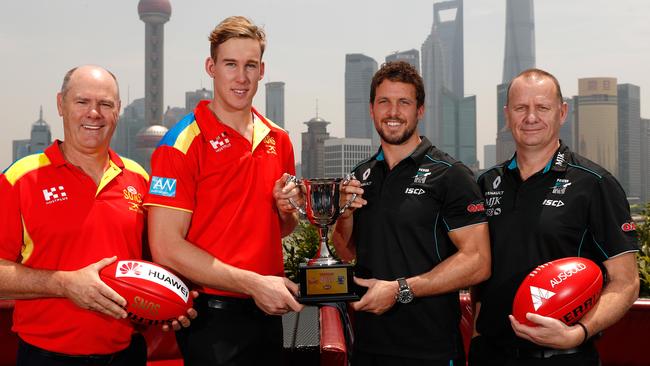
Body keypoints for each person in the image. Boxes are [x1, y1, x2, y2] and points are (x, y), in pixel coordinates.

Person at [0, 65, 193, 365]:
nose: (94, 113)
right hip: (47, 356)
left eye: (105, 104)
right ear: (60, 104)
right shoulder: (20, 179)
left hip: (127, 354)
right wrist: (63, 284)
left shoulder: (139, 179)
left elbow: (153, 264)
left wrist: (169, 304)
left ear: (117, 110)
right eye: (82, 102)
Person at [143, 16, 303, 365]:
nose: (241, 77)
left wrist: (285, 211)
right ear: (211, 67)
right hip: (211, 317)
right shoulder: (181, 144)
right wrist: (254, 284)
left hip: (268, 308)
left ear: (262, 71)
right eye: (230, 64)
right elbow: (166, 247)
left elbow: (281, 229)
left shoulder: (279, 139)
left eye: (250, 65)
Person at [469, 68, 640, 365]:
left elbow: (626, 282)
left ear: (562, 113)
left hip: (563, 357)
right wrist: (476, 341)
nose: (530, 117)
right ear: (507, 115)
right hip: (491, 355)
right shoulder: (487, 183)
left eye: (542, 107)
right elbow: (481, 277)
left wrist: (579, 333)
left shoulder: (595, 183)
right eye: (521, 108)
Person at [331, 61, 491, 365]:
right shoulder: (361, 174)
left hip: (430, 350)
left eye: (403, 102)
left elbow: (478, 262)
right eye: (384, 102)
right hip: (368, 346)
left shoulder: (451, 174)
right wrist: (344, 216)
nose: (393, 112)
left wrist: (400, 289)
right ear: (371, 109)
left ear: (420, 110)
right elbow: (346, 250)